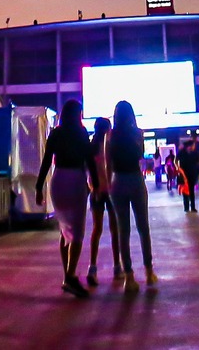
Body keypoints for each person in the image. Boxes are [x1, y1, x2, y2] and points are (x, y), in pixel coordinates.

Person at [35, 98, 96, 297]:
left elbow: (46, 161)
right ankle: (70, 276)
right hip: (76, 179)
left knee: (64, 229)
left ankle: (66, 275)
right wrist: (95, 183)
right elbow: (89, 160)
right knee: (77, 232)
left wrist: (38, 187)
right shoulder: (81, 132)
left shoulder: (56, 133)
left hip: (58, 179)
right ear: (78, 114)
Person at [104, 100, 157, 290]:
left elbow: (107, 163)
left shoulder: (110, 136)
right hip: (135, 179)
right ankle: (149, 272)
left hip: (117, 181)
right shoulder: (138, 133)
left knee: (123, 231)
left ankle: (129, 276)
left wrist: (108, 185)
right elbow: (140, 155)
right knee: (143, 227)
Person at [85, 117, 113, 285]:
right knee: (115, 229)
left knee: (97, 229)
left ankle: (92, 267)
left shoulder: (91, 145)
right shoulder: (107, 146)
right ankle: (118, 266)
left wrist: (93, 187)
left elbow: (89, 170)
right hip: (109, 191)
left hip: (96, 191)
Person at [177, 132, 199, 214]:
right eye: (192, 145)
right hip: (187, 174)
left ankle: (190, 207)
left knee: (189, 190)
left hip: (190, 174)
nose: (193, 147)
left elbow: (198, 161)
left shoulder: (190, 153)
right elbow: (198, 161)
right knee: (187, 190)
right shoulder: (183, 153)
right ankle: (190, 207)